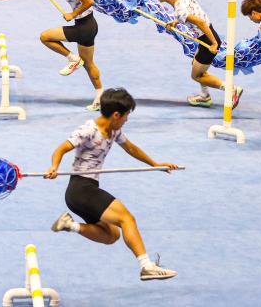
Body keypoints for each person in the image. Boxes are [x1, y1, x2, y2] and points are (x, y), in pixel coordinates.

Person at [48, 88, 180, 281]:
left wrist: (155, 164)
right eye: (126, 116)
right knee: (127, 218)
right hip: (81, 189)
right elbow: (60, 149)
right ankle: (147, 266)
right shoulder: (88, 130)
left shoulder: (114, 130)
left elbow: (131, 148)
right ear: (116, 115)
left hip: (84, 191)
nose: (126, 120)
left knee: (111, 235)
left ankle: (70, 225)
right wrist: (54, 167)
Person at [28, 0, 104, 111]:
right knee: (89, 64)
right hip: (90, 25)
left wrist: (72, 14)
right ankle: (100, 97)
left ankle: (72, 58)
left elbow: (89, 1)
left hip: (83, 27)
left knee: (45, 37)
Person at [152, 0, 242, 108]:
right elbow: (192, 15)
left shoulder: (179, 11)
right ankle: (205, 96)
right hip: (208, 35)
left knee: (197, 75)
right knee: (195, 64)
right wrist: (176, 22)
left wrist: (214, 43)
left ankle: (231, 89)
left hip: (207, 40)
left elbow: (200, 22)